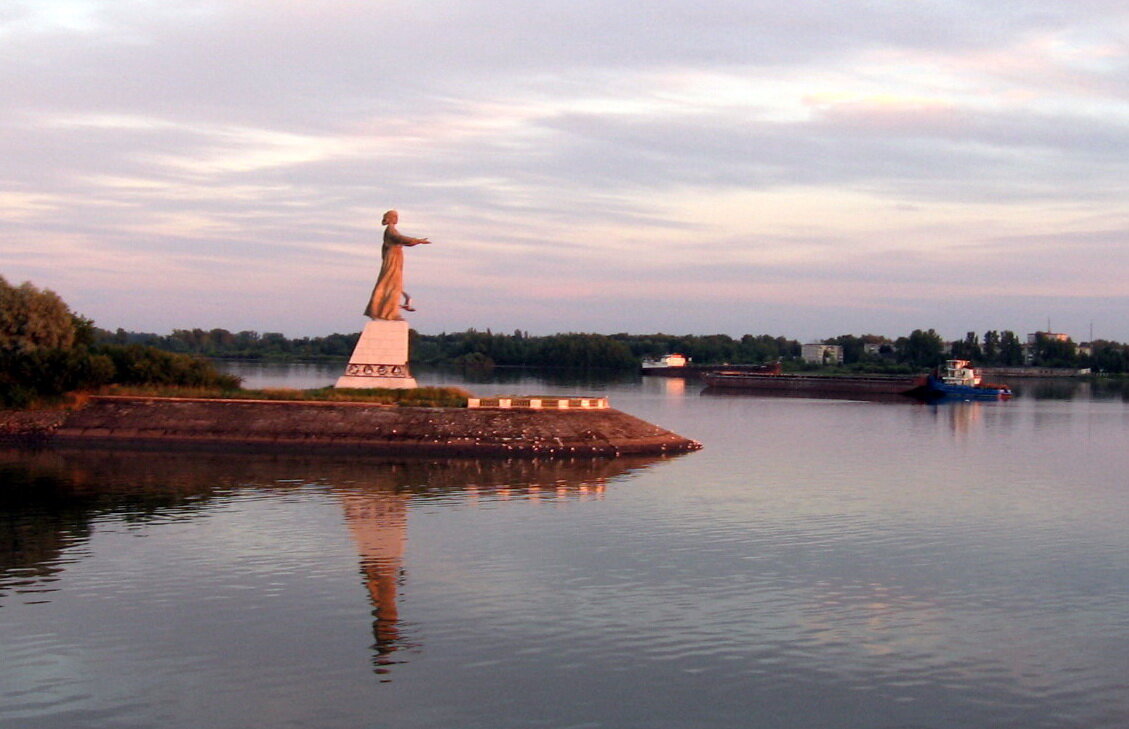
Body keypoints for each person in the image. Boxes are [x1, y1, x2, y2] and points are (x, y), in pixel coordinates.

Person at [363, 210, 431, 320]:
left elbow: (403, 242)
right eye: (394, 217)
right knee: (392, 284)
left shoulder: (392, 230)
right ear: (390, 218)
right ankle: (387, 312)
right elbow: (400, 239)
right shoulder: (390, 230)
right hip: (393, 258)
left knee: (393, 284)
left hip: (396, 257)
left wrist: (415, 242)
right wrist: (416, 240)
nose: (396, 219)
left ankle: (387, 311)